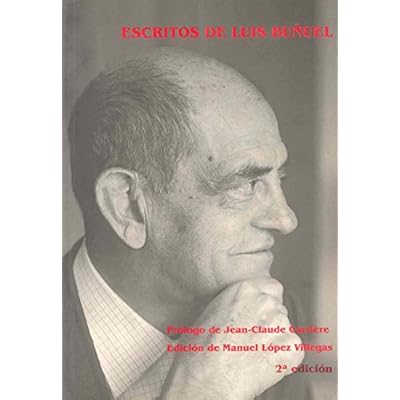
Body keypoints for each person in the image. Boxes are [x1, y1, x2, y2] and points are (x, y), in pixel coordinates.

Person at [63, 47, 311, 399]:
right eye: (245, 185)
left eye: (278, 178)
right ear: (129, 206)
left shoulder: (271, 320)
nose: (286, 220)